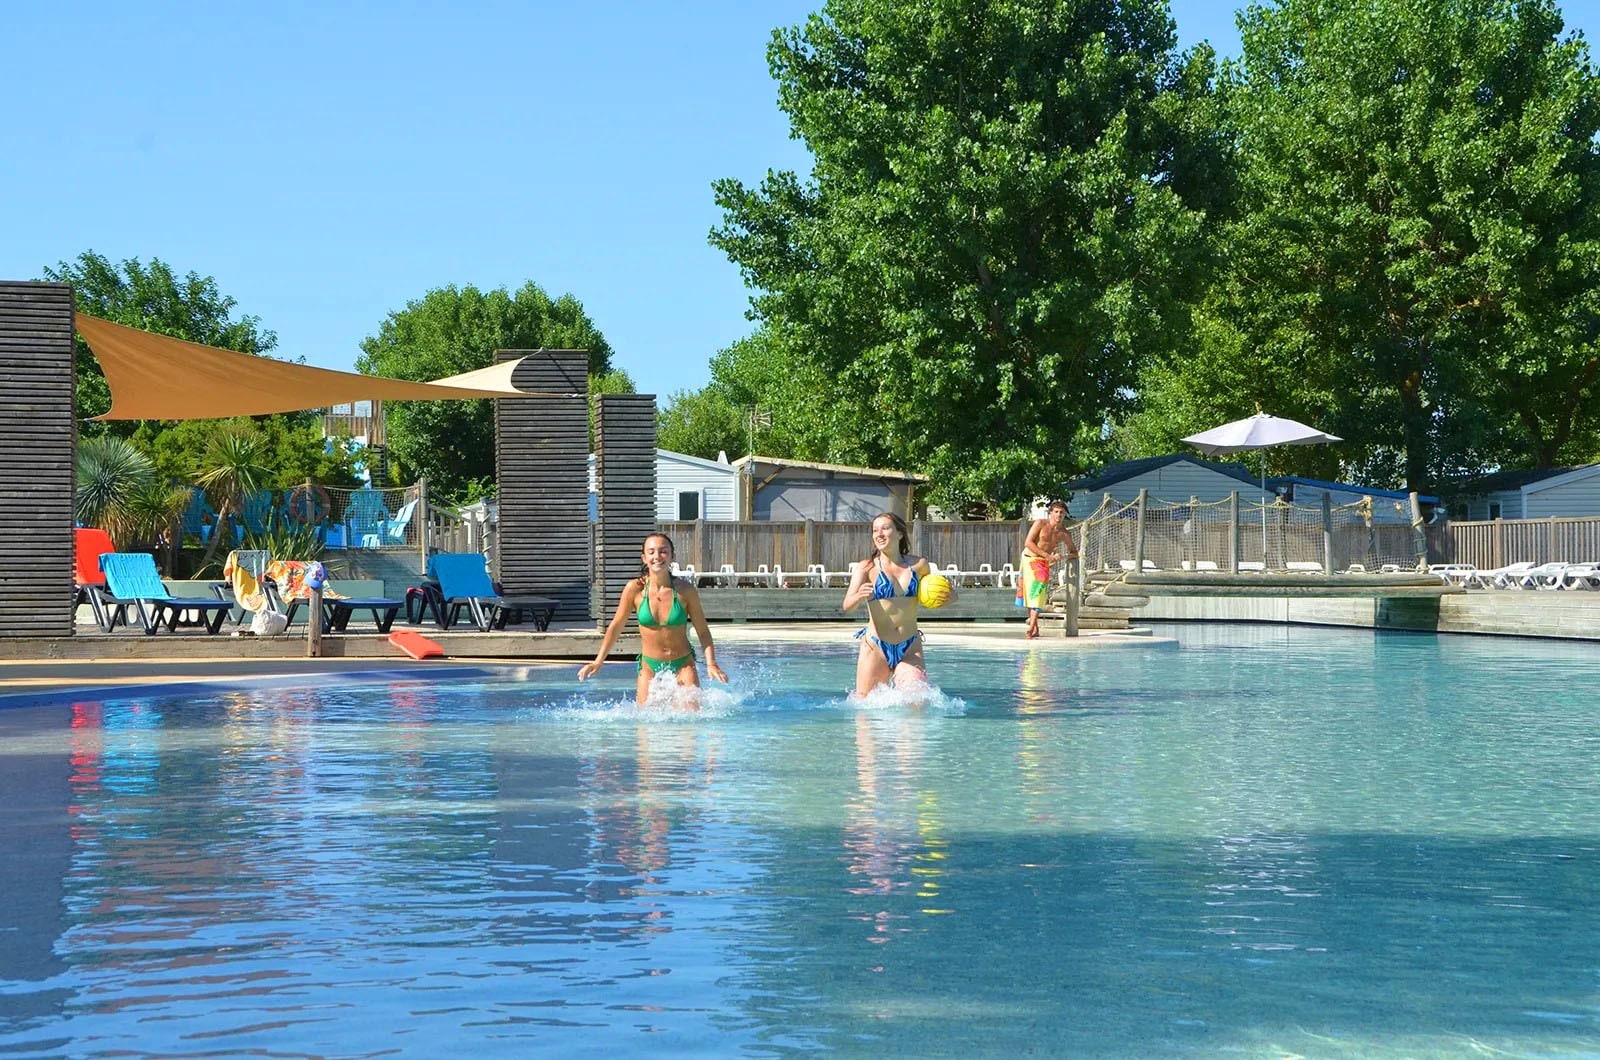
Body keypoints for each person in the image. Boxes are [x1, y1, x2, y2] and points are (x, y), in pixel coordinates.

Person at [578, 533, 728, 705]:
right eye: (651, 552)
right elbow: (616, 627)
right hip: (649, 665)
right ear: (644, 558)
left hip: (683, 665)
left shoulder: (685, 591)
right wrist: (598, 661)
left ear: (672, 556)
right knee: (645, 724)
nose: (657, 556)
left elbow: (702, 631)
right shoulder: (634, 589)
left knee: (690, 724)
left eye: (663, 551)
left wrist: (711, 663)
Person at [842, 512, 952, 698]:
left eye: (885, 528)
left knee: (917, 702)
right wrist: (859, 596)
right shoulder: (866, 567)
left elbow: (949, 596)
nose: (879, 534)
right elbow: (846, 606)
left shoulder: (919, 565)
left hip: (909, 646)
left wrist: (944, 593)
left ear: (900, 533)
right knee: (864, 707)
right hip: (875, 646)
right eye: (875, 530)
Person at [1020, 499, 1079, 639]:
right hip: (1028, 559)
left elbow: (1074, 551)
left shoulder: (1064, 533)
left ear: (1065, 515)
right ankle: (1035, 628)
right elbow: (1028, 543)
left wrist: (1062, 556)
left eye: (1062, 513)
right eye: (1056, 512)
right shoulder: (1040, 524)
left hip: (1042, 564)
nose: (1059, 515)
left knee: (1038, 592)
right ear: (1050, 513)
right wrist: (1048, 555)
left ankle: (1030, 627)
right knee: (1029, 594)